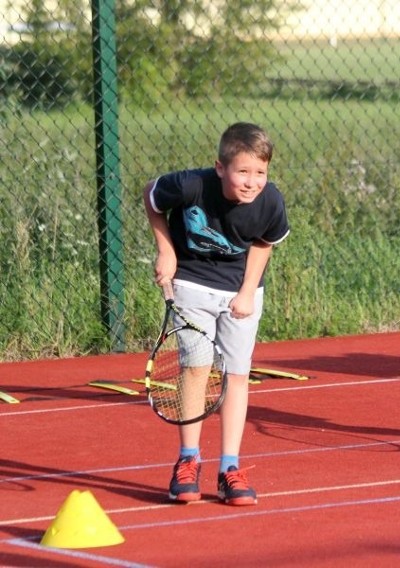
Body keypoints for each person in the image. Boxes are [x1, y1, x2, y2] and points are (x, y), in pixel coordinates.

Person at [143, 122, 290, 504]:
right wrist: (167, 250)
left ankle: (230, 468)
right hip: (191, 282)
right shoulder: (191, 185)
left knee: (237, 375)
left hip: (241, 291)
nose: (251, 181)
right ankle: (188, 460)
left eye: (260, 172)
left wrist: (246, 293)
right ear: (221, 167)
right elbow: (152, 197)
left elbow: (264, 243)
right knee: (195, 366)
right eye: (243, 171)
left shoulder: (271, 200)